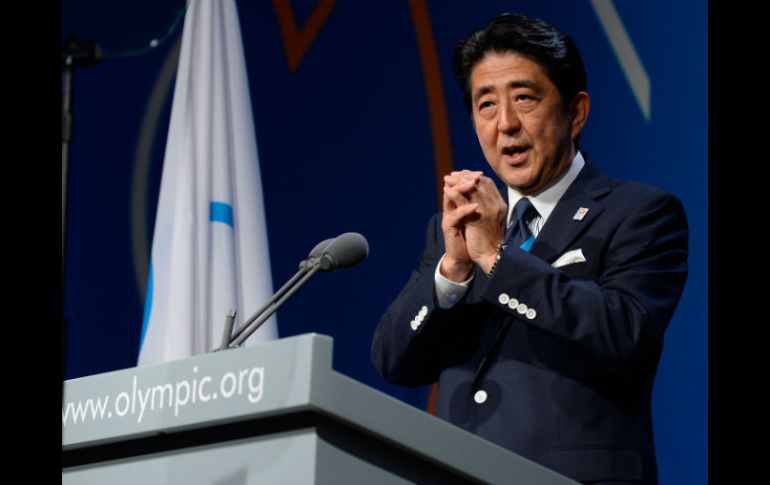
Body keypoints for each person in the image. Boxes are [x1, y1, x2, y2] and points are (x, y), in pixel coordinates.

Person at [371, 12, 688, 485]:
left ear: (575, 112)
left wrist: (498, 260)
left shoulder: (640, 212)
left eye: (524, 98)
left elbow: (625, 332)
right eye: (486, 105)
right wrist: (452, 272)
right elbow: (394, 361)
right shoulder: (452, 231)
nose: (506, 124)